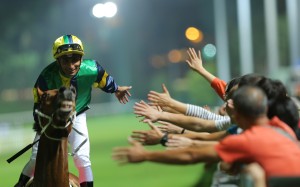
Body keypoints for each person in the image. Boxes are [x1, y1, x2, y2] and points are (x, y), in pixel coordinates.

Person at [112, 86, 300, 182]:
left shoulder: (246, 140)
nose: (226, 107)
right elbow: (204, 127)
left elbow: (193, 154)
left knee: (254, 175)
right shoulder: (283, 128)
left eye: (231, 103)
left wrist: (146, 155)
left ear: (240, 114)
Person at [14, 34, 132, 187]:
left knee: (82, 158)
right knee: (36, 158)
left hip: (78, 114)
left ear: (81, 58)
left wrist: (115, 89)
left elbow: (104, 80)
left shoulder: (92, 69)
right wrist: (41, 125)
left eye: (75, 59)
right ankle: (20, 184)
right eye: (65, 61)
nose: (71, 66)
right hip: (52, 118)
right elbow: (38, 105)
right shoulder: (46, 77)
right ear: (58, 60)